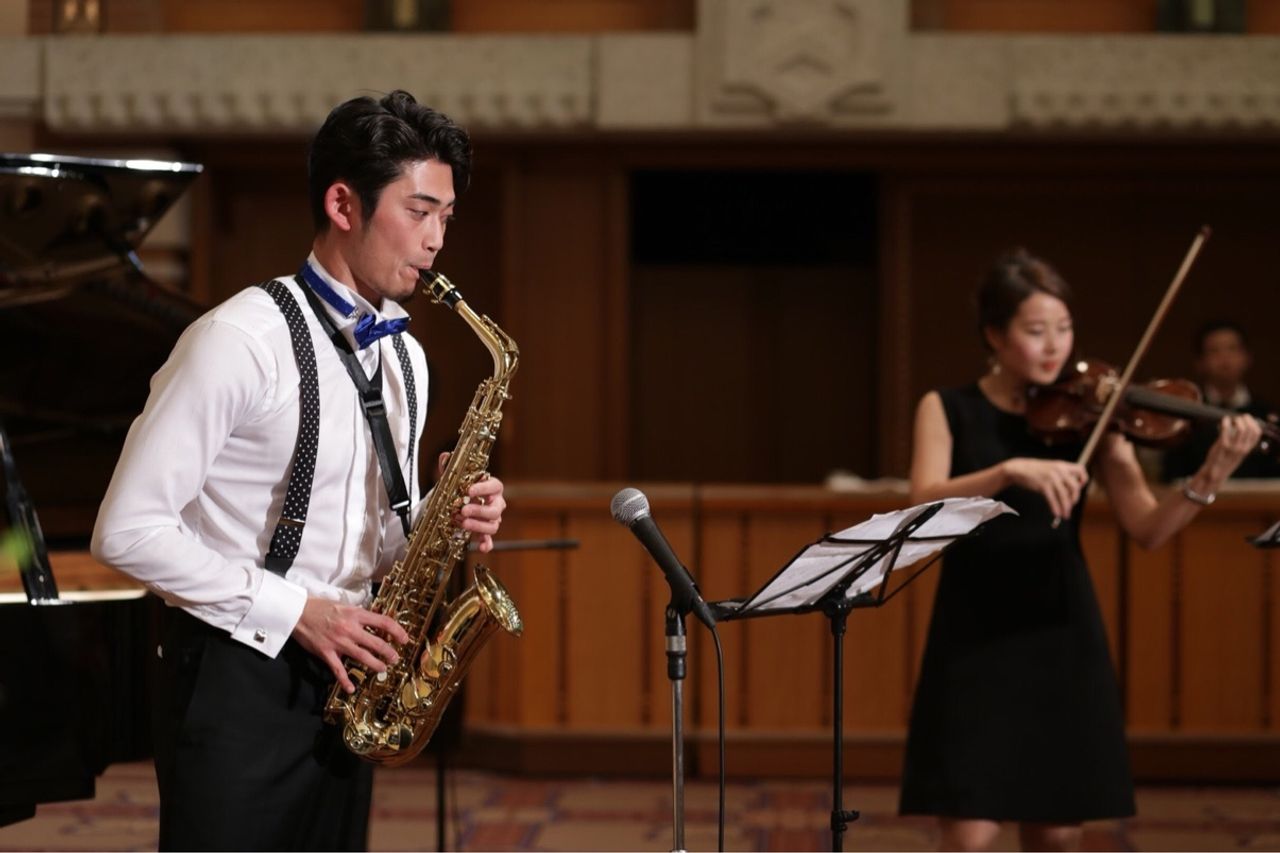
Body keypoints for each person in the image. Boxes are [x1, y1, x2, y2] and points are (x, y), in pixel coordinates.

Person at [91, 90, 506, 851]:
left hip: (353, 678)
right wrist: (298, 611)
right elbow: (126, 530)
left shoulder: (408, 359)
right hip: (236, 675)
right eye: (419, 211)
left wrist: (440, 521)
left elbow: (376, 548)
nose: (437, 240)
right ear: (343, 204)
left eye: (447, 217)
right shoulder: (236, 340)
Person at [897, 249, 1260, 852]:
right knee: (968, 833)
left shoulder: (1096, 415)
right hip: (975, 630)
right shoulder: (947, 408)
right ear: (994, 335)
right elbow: (921, 501)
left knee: (1057, 835)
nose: (1055, 346)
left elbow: (1148, 527)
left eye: (1064, 329)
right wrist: (1009, 471)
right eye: (1036, 330)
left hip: (1061, 626)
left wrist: (1211, 474)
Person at [1162, 320, 1280, 480]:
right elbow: (1172, 476)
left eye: (1232, 349)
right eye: (1214, 351)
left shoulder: (1267, 413)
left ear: (1247, 357)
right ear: (1199, 363)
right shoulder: (1186, 415)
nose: (1225, 358)